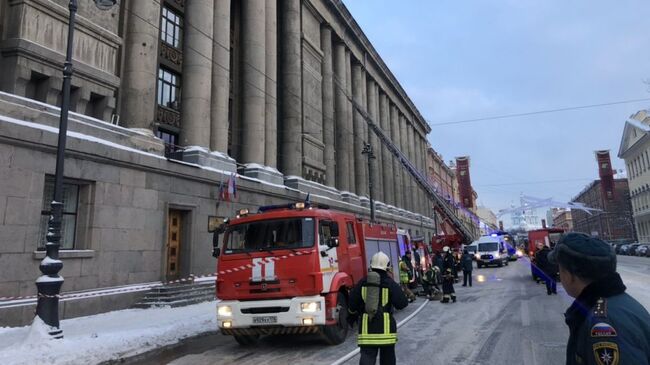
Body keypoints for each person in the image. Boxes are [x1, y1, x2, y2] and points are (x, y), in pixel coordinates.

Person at [548, 233, 650, 365]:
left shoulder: (603, 326)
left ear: (570, 275)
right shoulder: (619, 302)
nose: (559, 275)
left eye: (560, 270)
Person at [348, 252, 409, 365]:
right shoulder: (390, 283)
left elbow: (351, 304)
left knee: (367, 358)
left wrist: (353, 315)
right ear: (387, 266)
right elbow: (402, 303)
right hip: (386, 333)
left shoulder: (362, 282)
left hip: (367, 332)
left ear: (371, 265)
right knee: (388, 360)